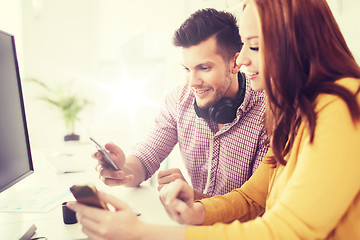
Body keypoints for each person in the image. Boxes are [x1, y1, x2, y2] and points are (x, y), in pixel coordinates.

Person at [67, 0, 360, 239]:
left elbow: (284, 230)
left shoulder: (341, 106)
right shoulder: (292, 111)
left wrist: (142, 233)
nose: (243, 59)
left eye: (254, 46)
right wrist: (199, 211)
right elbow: (253, 199)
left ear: (298, 43)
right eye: (245, 45)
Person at [94, 8, 268, 199]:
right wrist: (122, 169)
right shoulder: (179, 101)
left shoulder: (268, 112)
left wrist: (192, 198)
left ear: (235, 63)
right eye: (187, 69)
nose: (192, 82)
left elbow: (257, 206)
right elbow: (145, 158)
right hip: (193, 224)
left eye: (204, 68)